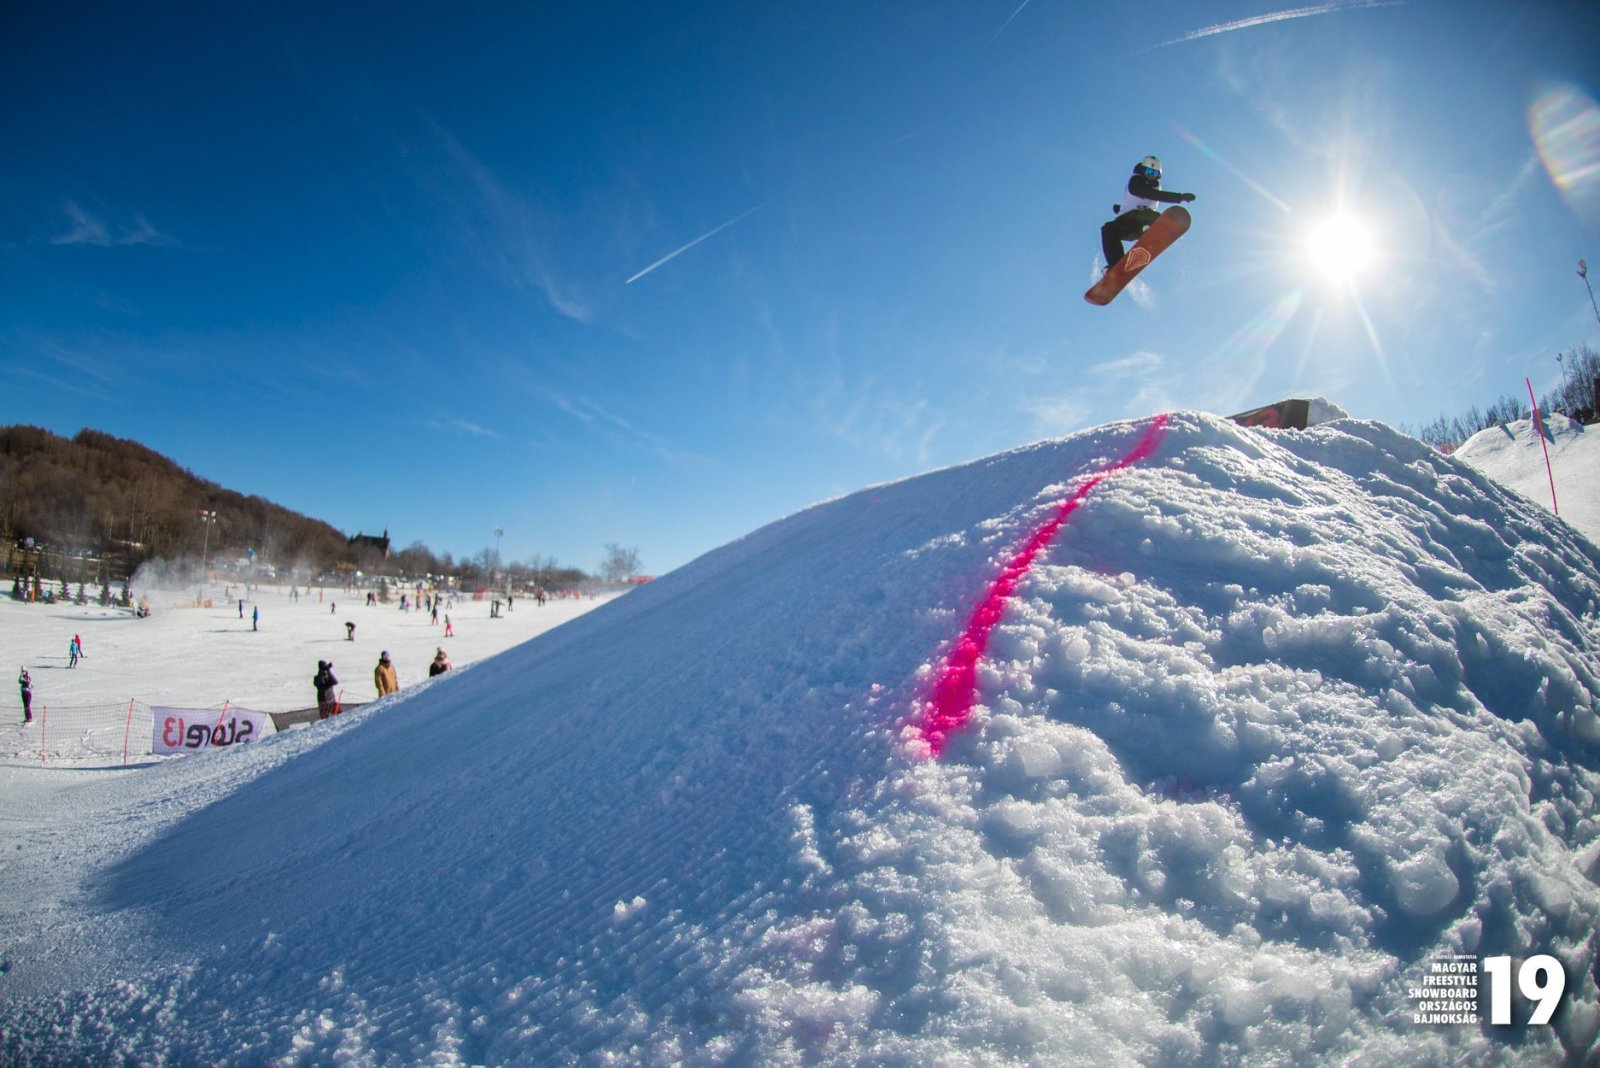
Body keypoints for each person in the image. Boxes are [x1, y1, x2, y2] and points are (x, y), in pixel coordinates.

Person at [1100, 155, 1196, 271]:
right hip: (1128, 222)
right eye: (1148, 171)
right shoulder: (1135, 181)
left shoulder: (1157, 186)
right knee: (1108, 229)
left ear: (1158, 175)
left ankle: (1151, 229)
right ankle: (1116, 266)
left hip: (1147, 219)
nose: (1151, 176)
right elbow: (1147, 193)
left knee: (1149, 214)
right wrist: (1179, 197)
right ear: (1142, 169)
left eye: (1154, 173)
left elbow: (1150, 196)